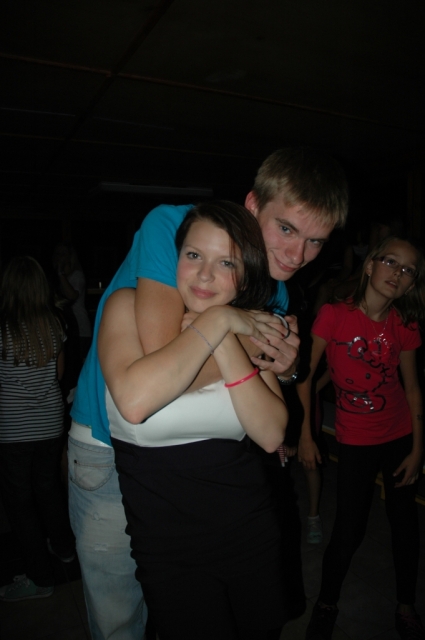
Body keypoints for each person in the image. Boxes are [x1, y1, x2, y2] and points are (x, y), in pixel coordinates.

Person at [68, 146, 349, 639]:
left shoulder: (274, 290)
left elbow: (258, 406)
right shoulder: (177, 226)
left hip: (208, 475)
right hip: (108, 449)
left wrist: (283, 371)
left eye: (315, 242)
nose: (296, 256)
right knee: (119, 619)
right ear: (254, 204)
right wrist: (241, 338)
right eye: (286, 229)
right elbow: (158, 361)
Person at [99, 201, 289, 639]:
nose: (205, 275)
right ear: (175, 257)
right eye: (194, 255)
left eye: (226, 263)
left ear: (245, 276)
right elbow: (135, 402)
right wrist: (220, 320)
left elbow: (270, 433)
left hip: (251, 532)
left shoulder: (246, 323)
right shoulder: (125, 307)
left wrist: (221, 332)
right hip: (169, 551)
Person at [297, 237, 425, 640]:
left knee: (404, 525)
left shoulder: (404, 323)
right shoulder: (334, 315)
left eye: (408, 270)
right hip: (355, 439)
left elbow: (413, 389)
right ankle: (326, 602)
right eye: (391, 262)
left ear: (411, 284)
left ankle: (406, 605)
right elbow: (304, 376)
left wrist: (418, 449)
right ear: (370, 265)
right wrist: (306, 434)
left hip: (400, 435)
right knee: (348, 528)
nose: (398, 273)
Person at [0, 257, 75, 602]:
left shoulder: (3, 329)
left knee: (20, 504)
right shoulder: (54, 323)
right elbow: (58, 375)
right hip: (49, 424)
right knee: (48, 489)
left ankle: (40, 578)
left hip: (13, 430)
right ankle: (64, 548)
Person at [53, 243, 92, 360]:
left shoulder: (77, 275)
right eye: (58, 253)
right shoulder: (59, 277)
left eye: (63, 253)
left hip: (80, 329)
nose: (60, 256)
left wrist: (60, 273)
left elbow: (72, 296)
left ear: (70, 256)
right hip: (67, 328)